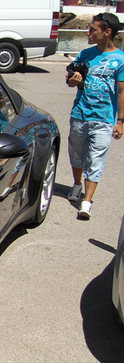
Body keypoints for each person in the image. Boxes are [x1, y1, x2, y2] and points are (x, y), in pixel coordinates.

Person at [66, 12, 124, 219]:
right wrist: (73, 79)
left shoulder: (120, 60)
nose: (88, 32)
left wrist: (120, 122)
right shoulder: (85, 54)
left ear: (107, 32)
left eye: (93, 29)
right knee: (76, 154)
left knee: (96, 159)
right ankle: (76, 185)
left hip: (104, 119)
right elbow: (70, 81)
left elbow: (122, 92)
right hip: (80, 114)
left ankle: (87, 202)